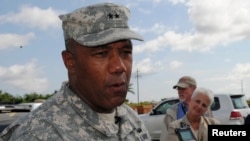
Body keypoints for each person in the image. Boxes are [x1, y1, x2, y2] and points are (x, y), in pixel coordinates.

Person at [0, 3, 150, 141]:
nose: (119, 66)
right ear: (70, 61)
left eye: (125, 52)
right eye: (101, 53)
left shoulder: (131, 119)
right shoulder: (37, 134)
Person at [160, 76, 212, 141]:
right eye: (178, 88)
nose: (180, 91)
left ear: (194, 89)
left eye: (183, 88)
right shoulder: (171, 112)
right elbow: (165, 137)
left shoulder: (205, 110)